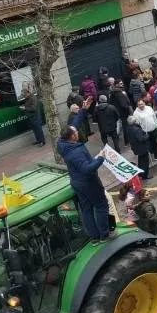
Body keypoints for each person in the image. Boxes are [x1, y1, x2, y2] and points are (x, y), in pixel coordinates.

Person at [57, 101, 110, 241]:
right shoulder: (76, 153)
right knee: (100, 206)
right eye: (75, 132)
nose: (78, 131)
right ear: (72, 137)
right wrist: (100, 158)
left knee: (86, 209)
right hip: (89, 183)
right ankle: (104, 235)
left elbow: (75, 123)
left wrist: (83, 110)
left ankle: (94, 237)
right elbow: (87, 169)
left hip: (77, 182)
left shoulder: (62, 143)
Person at [126, 116, 152, 180]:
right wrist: (146, 136)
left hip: (136, 148)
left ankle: (140, 174)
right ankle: (144, 175)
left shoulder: (129, 128)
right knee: (145, 163)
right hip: (142, 148)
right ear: (135, 121)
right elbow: (141, 139)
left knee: (140, 162)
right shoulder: (137, 129)